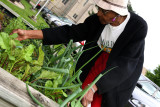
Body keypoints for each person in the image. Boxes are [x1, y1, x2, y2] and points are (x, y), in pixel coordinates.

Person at [11, 0, 148, 106]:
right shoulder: (97, 21)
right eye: (99, 8)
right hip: (94, 68)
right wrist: (28, 34)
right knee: (78, 101)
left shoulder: (137, 27)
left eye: (104, 11)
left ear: (118, 14)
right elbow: (69, 33)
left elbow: (125, 65)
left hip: (114, 78)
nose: (99, 13)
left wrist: (95, 88)